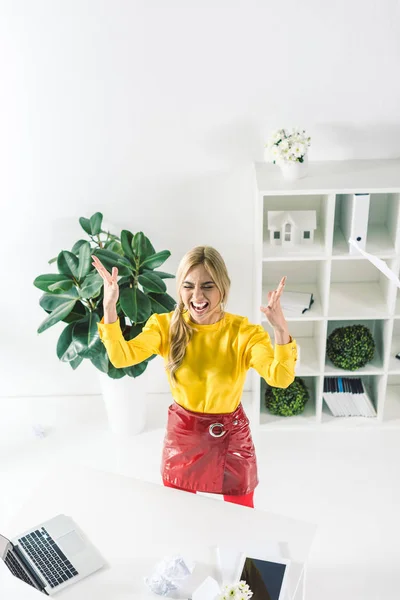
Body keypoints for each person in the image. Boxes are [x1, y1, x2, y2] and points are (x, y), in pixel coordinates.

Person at [92, 246, 297, 508]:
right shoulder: (164, 325)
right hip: (183, 439)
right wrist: (110, 308)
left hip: (230, 439)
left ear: (222, 288)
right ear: (180, 288)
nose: (197, 296)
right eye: (189, 286)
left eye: (207, 286)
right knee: (181, 517)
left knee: (241, 520)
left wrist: (281, 330)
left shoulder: (245, 333)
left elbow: (280, 378)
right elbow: (122, 358)